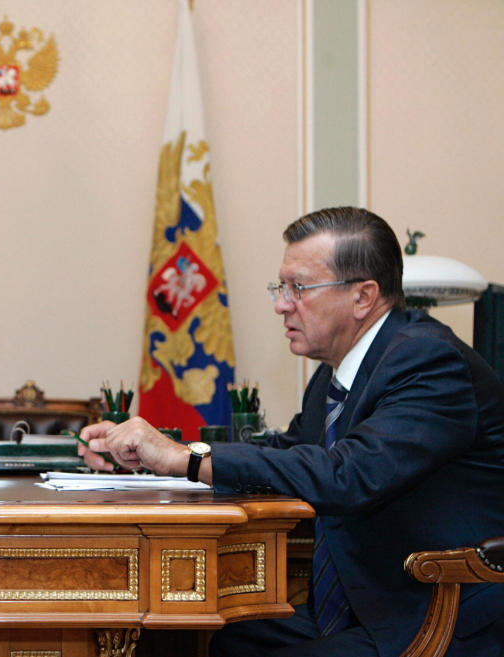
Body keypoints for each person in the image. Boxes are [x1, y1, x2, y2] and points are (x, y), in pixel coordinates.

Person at [79, 207, 504, 656]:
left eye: (298, 288)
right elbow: (290, 448)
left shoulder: (429, 361)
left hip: (437, 615)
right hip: (369, 604)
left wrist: (183, 459)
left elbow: (347, 474)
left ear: (363, 296)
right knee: (222, 642)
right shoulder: (335, 374)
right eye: (280, 288)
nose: (281, 304)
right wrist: (156, 453)